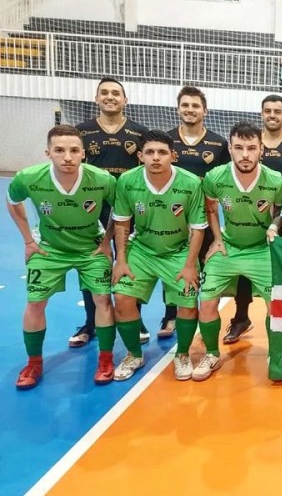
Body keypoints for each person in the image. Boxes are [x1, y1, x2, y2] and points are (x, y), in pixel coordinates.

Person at [8, 125, 117, 388]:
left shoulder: (102, 179)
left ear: (83, 154)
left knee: (102, 298)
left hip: (90, 248)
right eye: (59, 150)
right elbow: (13, 201)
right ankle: (34, 362)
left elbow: (120, 209)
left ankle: (105, 359)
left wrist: (106, 242)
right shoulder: (28, 177)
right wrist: (27, 240)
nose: (67, 156)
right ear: (48, 153)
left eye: (73, 150)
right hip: (49, 248)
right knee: (35, 302)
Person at [110, 130, 207, 382]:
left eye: (162, 152)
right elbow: (121, 223)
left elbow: (197, 229)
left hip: (178, 251)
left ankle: (182, 354)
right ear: (140, 156)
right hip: (142, 249)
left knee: (187, 302)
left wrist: (189, 265)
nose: (156, 158)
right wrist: (120, 260)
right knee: (121, 297)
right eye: (150, 152)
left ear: (173, 156)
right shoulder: (127, 181)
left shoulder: (190, 183)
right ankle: (134, 354)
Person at [221, 94, 282, 344]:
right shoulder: (250, 144)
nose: (272, 115)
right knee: (243, 267)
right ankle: (241, 318)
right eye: (267, 111)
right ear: (262, 114)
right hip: (251, 215)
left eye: (277, 111)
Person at [198, 122, 282, 381]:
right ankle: (212, 354)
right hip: (228, 248)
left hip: (261, 250)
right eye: (239, 148)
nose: (245, 154)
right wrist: (216, 239)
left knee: (277, 305)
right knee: (206, 302)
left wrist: (274, 225)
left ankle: (276, 354)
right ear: (230, 148)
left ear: (261, 149)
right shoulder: (216, 177)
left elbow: (280, 211)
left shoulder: (275, 181)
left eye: (251, 148)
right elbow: (211, 209)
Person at [73, 77, 147, 348]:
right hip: (92, 208)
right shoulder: (82, 132)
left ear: (125, 100)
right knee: (94, 263)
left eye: (116, 93)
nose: (110, 97)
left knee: (131, 261)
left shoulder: (139, 133)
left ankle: (134, 318)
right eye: (104, 93)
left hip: (129, 208)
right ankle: (91, 322)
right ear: (96, 98)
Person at [163, 86, 232, 340]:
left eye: (195, 106)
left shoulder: (218, 142)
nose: (190, 110)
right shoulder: (167, 140)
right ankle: (170, 314)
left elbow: (225, 178)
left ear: (205, 110)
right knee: (171, 262)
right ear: (178, 108)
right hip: (172, 215)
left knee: (202, 263)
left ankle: (202, 313)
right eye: (185, 105)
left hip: (204, 216)